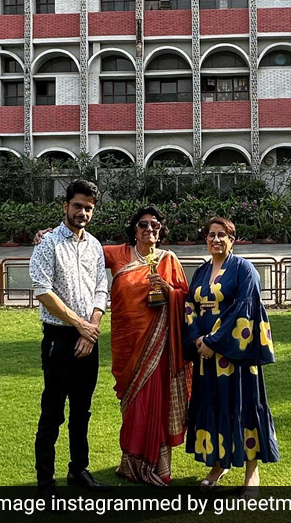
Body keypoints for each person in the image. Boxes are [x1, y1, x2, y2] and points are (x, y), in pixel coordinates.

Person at [184, 217, 279, 491]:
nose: (216, 239)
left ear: (232, 240)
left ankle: (252, 471)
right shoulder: (201, 271)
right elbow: (189, 305)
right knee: (214, 406)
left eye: (222, 235)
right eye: (211, 235)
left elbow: (244, 309)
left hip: (236, 357)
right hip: (207, 358)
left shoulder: (244, 269)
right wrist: (197, 339)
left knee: (243, 407)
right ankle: (219, 464)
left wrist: (213, 341)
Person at [30, 180, 111, 494]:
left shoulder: (94, 245)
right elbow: (42, 291)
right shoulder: (48, 243)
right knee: (53, 412)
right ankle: (45, 483)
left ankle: (79, 471)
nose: (83, 213)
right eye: (77, 206)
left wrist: (91, 329)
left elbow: (101, 289)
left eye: (88, 208)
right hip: (59, 338)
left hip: (88, 337)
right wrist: (80, 325)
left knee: (82, 410)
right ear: (65, 206)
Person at [104, 206, 192, 486]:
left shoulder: (168, 259)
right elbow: (82, 250)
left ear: (161, 230)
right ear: (134, 229)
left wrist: (168, 290)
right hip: (127, 344)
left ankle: (157, 465)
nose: (149, 229)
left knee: (154, 402)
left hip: (159, 346)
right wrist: (51, 235)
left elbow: (186, 299)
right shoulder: (118, 254)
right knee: (133, 405)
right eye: (143, 224)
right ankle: (130, 463)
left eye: (155, 225)